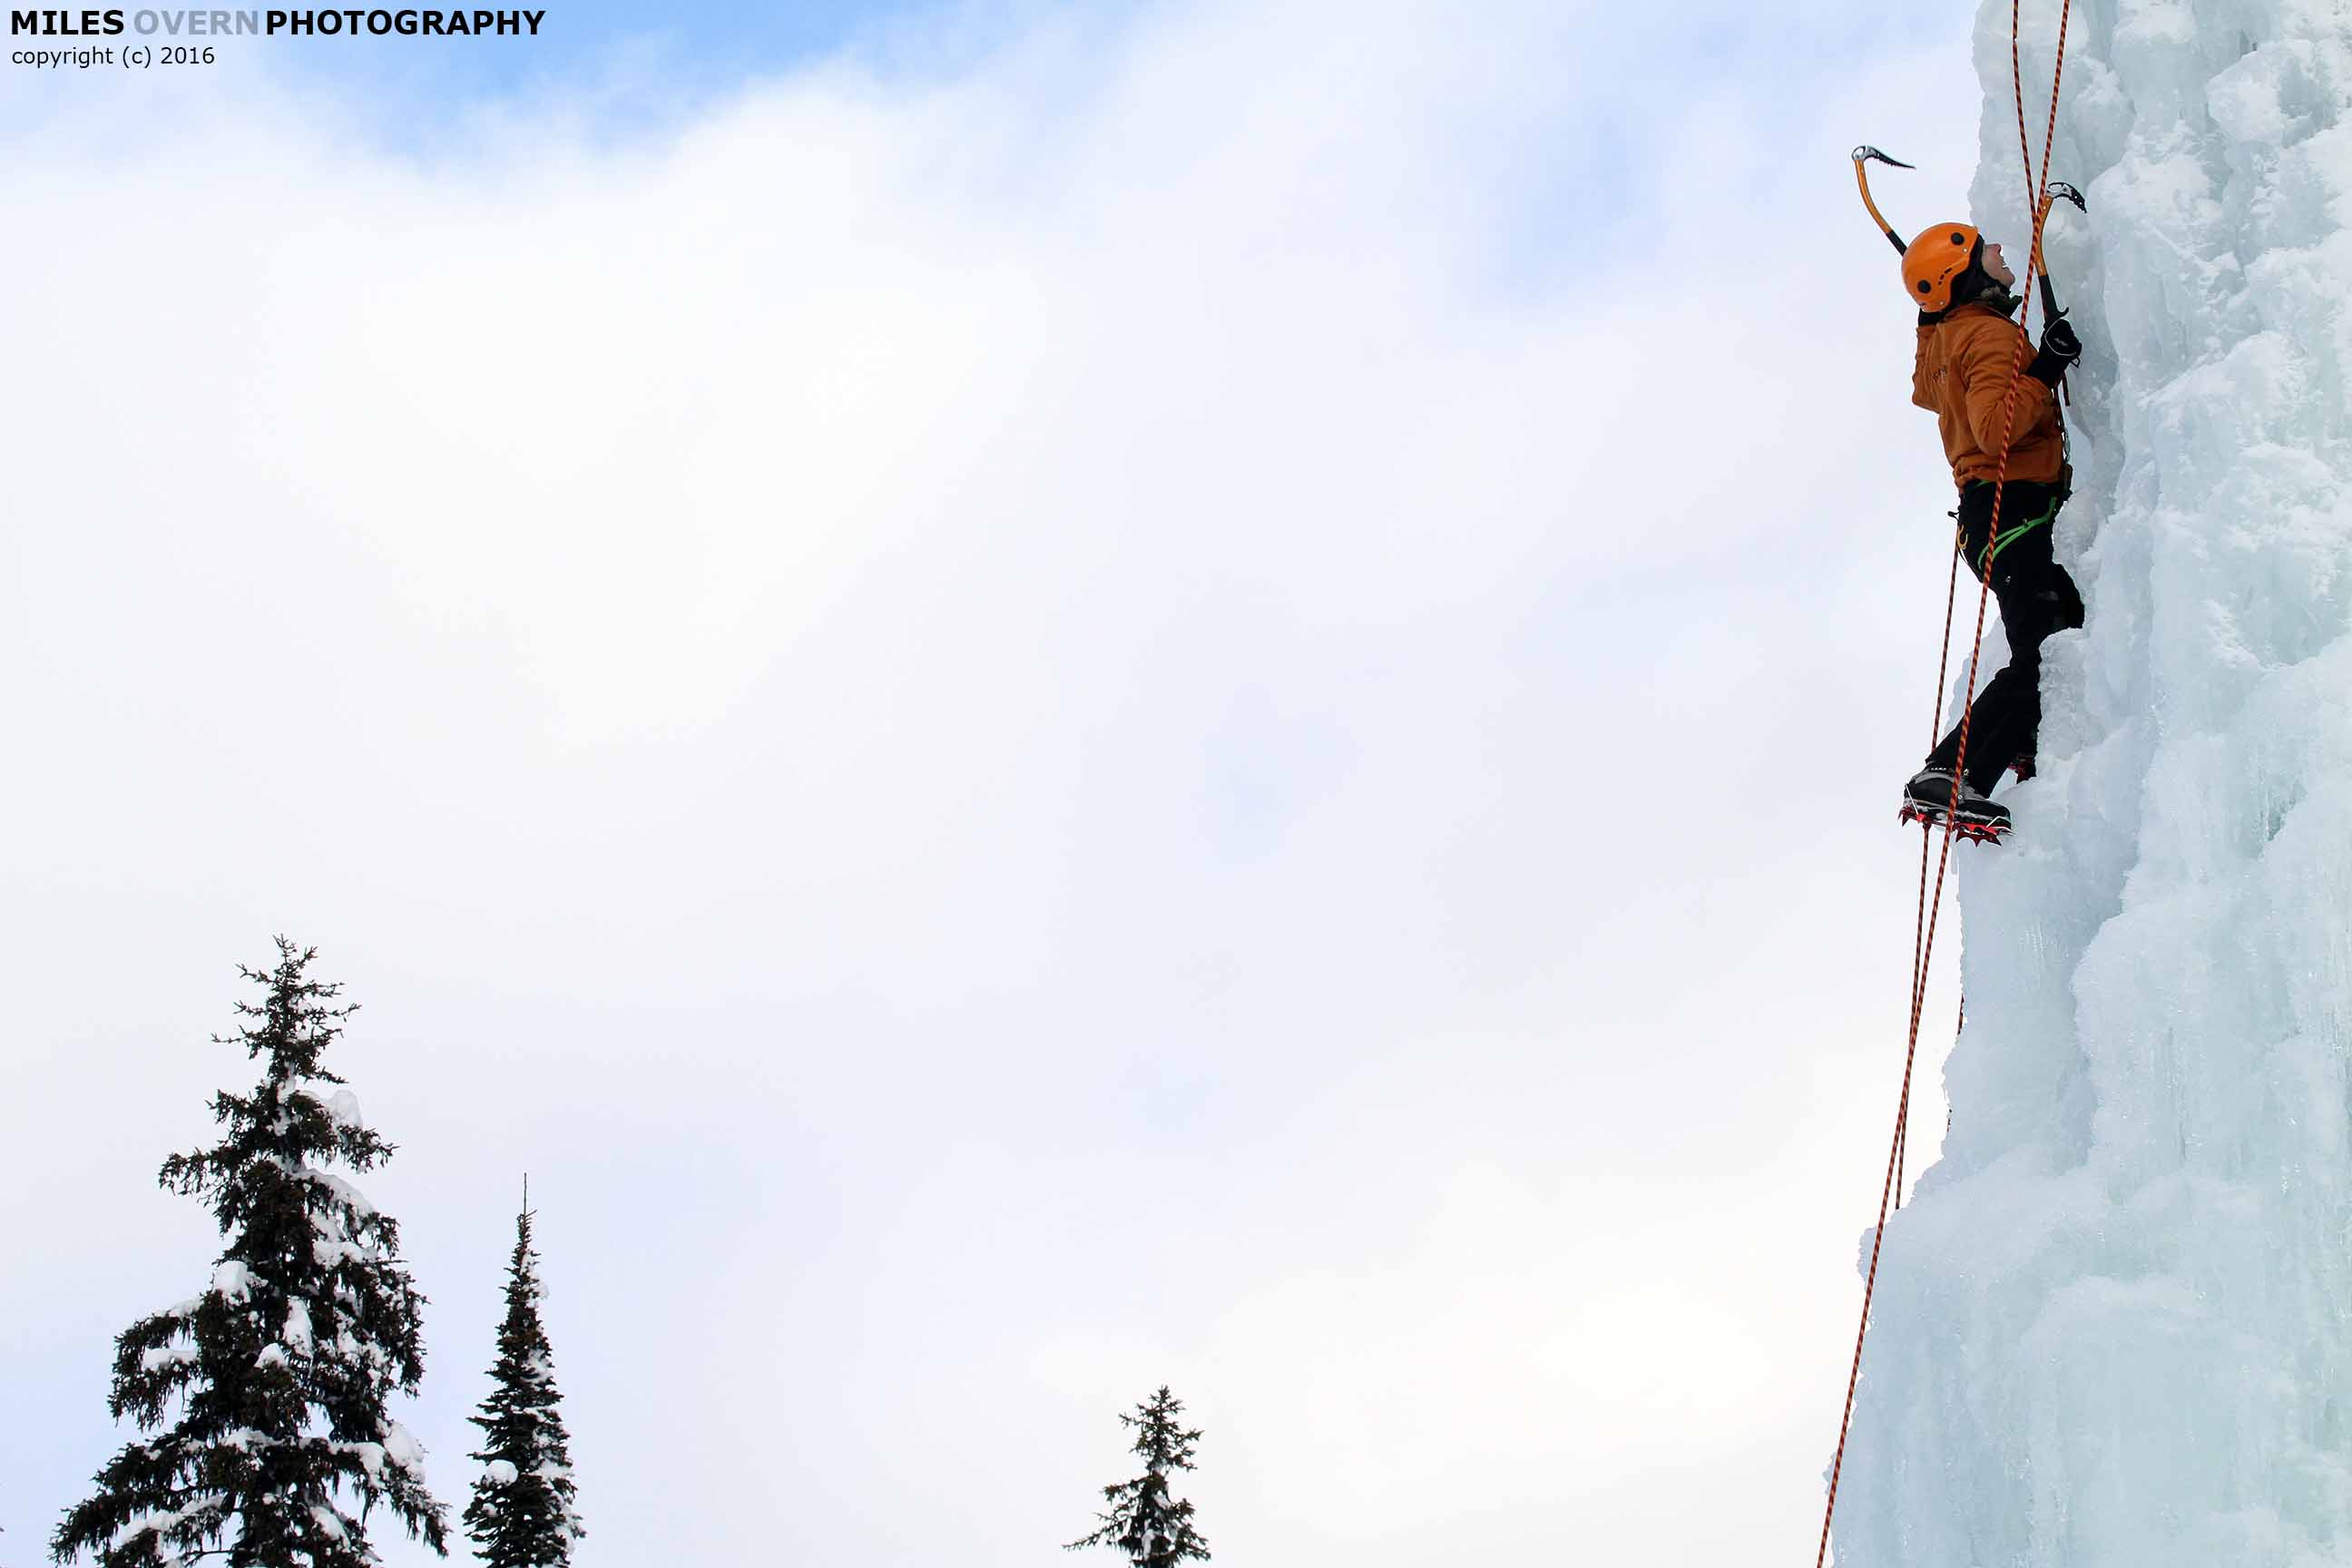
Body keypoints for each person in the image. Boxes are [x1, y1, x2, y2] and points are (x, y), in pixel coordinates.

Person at [1898, 222, 2085, 838]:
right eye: (1988, 250)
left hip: (1991, 520)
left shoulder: (1953, 338)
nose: (2002, 252)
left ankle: (2019, 742)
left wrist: (1931, 319)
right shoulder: (1988, 336)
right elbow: (1993, 429)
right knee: (2044, 647)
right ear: (1970, 275)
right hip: (2014, 505)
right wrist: (2047, 366)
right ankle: (1949, 772)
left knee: (2059, 621)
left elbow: (1927, 390)